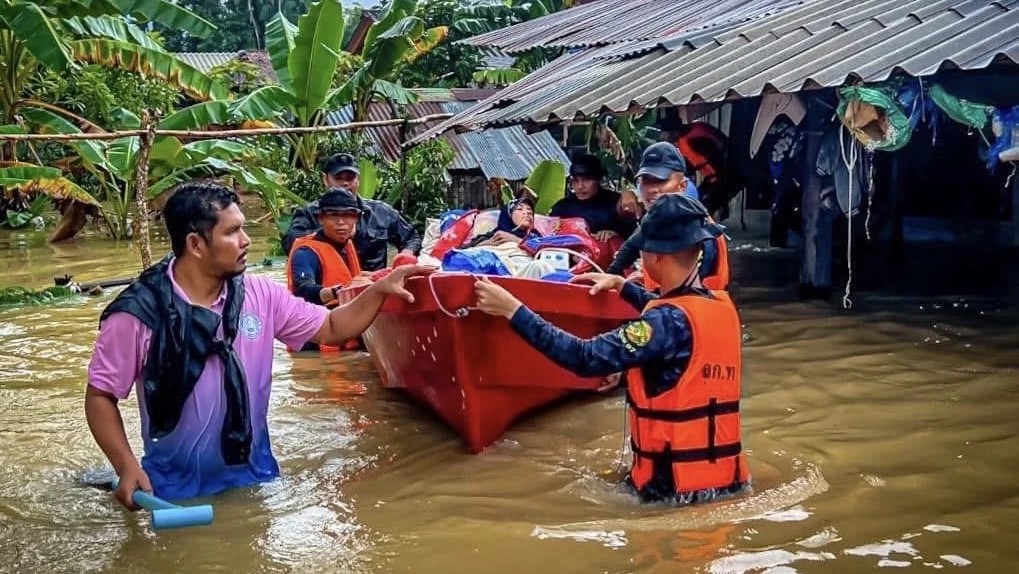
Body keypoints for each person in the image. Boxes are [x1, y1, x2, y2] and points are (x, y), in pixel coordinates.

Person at [85, 181, 434, 509]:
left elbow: (331, 326)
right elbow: (101, 395)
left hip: (255, 478)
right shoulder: (137, 313)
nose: (246, 241)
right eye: (232, 231)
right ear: (195, 244)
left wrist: (379, 290)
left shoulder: (260, 295)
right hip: (172, 490)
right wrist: (126, 466)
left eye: (243, 228)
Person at [473, 193, 751, 504]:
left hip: (671, 494)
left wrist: (513, 310)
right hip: (726, 484)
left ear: (654, 256)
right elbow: (673, 319)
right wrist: (621, 286)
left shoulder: (664, 324)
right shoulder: (720, 307)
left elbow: (584, 357)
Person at [606, 142, 728, 292]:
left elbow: (690, 296)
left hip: (694, 308)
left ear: (682, 186)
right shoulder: (658, 218)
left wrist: (629, 290)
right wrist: (611, 276)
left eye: (661, 180)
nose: (652, 189)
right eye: (646, 181)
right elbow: (633, 245)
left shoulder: (695, 227)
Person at [281, 152, 422, 270]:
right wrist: (328, 234)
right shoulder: (310, 213)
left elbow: (412, 238)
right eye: (338, 178)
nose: (344, 183)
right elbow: (291, 244)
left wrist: (405, 256)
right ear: (325, 180)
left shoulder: (381, 212)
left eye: (350, 178)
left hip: (374, 286)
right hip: (329, 290)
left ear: (358, 180)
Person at [286, 189, 370, 351]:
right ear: (320, 218)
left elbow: (354, 278)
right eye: (334, 216)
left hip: (341, 333)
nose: (341, 222)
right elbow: (302, 288)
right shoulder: (306, 252)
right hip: (313, 345)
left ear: (356, 218)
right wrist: (336, 292)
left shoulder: (346, 245)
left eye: (348, 215)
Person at [550, 154, 636, 242]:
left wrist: (615, 234)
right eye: (576, 180)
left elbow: (634, 235)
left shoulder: (616, 204)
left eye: (587, 179)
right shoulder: (562, 207)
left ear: (598, 180)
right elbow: (549, 233)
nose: (580, 186)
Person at [467, 197, 542, 248]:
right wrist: (486, 245)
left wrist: (517, 240)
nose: (528, 212)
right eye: (520, 209)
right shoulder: (494, 236)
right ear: (508, 215)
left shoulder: (535, 237)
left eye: (529, 209)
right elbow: (461, 252)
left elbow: (546, 250)